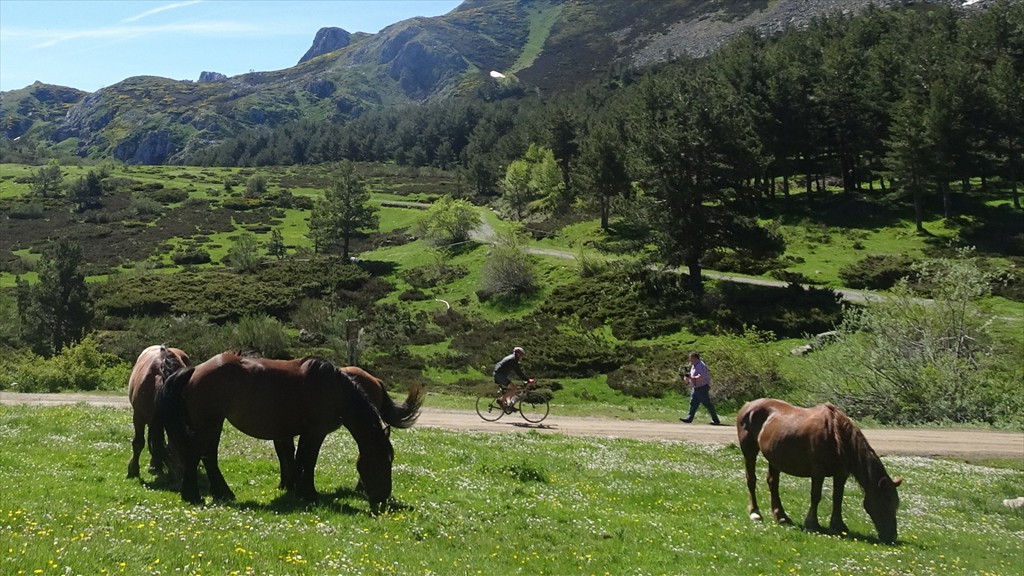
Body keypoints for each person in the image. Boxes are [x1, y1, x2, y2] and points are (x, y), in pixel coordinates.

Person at [680, 351, 722, 425]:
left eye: (690, 358)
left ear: (695, 358)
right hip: (696, 388)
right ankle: (689, 418)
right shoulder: (694, 365)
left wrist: (692, 378)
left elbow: (701, 377)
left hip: (702, 387)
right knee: (693, 403)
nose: (689, 360)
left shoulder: (701, 365)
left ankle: (716, 420)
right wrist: (687, 378)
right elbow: (692, 374)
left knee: (707, 404)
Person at [493, 346, 529, 413]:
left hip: (499, 374)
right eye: (521, 355)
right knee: (514, 389)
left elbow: (518, 372)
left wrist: (525, 379)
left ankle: (509, 405)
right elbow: (518, 372)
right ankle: (501, 400)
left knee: (512, 389)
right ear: (518, 354)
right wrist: (527, 380)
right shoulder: (513, 359)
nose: (522, 357)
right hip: (499, 375)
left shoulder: (513, 358)